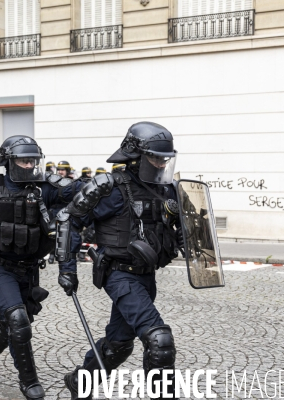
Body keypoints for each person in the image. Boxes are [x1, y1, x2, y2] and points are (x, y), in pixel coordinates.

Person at [55, 122, 183, 400]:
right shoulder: (111, 187)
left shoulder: (166, 189)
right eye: (155, 157)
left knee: (119, 344)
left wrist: (190, 241)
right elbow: (69, 219)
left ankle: (80, 382)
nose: (161, 164)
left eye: (165, 158)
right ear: (135, 156)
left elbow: (182, 227)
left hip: (147, 276)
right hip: (119, 275)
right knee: (159, 340)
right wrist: (67, 268)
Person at [0, 136, 81, 400]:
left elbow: (81, 193)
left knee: (11, 323)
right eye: (24, 160)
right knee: (17, 320)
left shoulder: (45, 187)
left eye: (34, 160)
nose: (30, 165)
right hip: (0, 265)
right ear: (9, 162)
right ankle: (29, 381)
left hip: (30, 269)